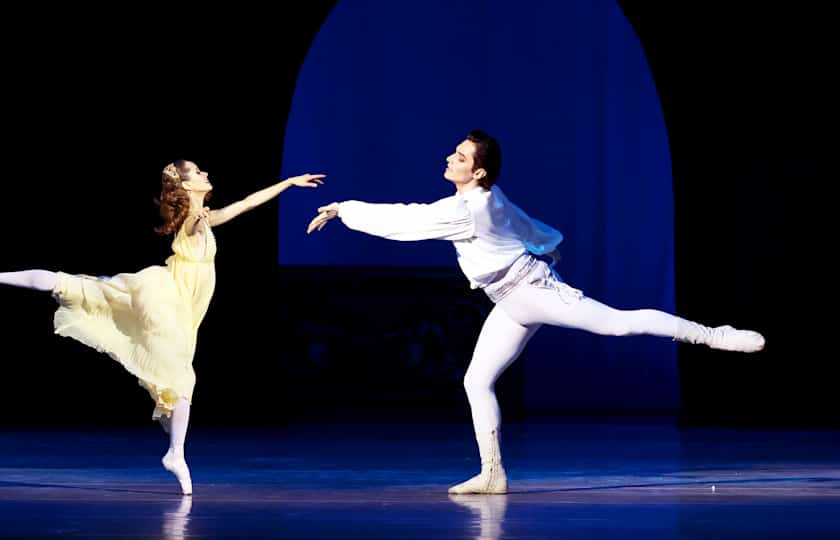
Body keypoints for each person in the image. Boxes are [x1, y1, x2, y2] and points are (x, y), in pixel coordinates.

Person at [306, 129, 763, 494]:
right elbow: (521, 222)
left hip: (532, 289)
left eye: (460, 157)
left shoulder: (469, 209)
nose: (450, 158)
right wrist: (548, 242)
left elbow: (409, 219)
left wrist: (345, 209)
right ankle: (492, 473)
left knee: (617, 324)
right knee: (476, 381)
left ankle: (713, 334)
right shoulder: (489, 196)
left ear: (478, 172)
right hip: (509, 301)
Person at [0, 160, 325, 494]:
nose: (205, 173)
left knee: (79, 286)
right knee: (182, 378)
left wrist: (288, 182)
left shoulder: (203, 218)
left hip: (176, 303)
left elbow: (245, 203)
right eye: (198, 172)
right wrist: (201, 217)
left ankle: (175, 450)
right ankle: (175, 454)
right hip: (165, 299)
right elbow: (206, 218)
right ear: (186, 185)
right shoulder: (195, 220)